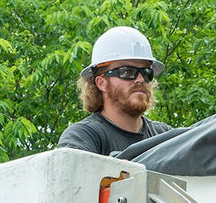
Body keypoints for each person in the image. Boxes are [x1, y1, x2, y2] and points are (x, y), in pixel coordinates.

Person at [57, 26, 172, 156]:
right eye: (127, 72)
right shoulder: (84, 136)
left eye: (146, 73)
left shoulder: (165, 137)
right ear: (101, 83)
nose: (140, 79)